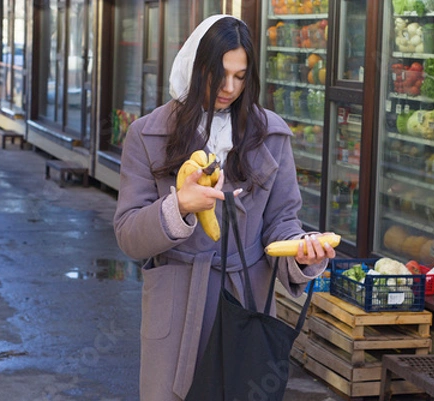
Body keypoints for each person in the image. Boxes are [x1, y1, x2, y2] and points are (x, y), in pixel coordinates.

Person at [113, 14, 336, 401]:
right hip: (177, 307)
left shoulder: (272, 135)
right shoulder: (147, 134)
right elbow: (129, 236)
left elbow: (281, 222)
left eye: (241, 76)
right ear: (196, 67)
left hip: (247, 305)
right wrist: (178, 206)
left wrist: (302, 252)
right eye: (220, 74)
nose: (229, 88)